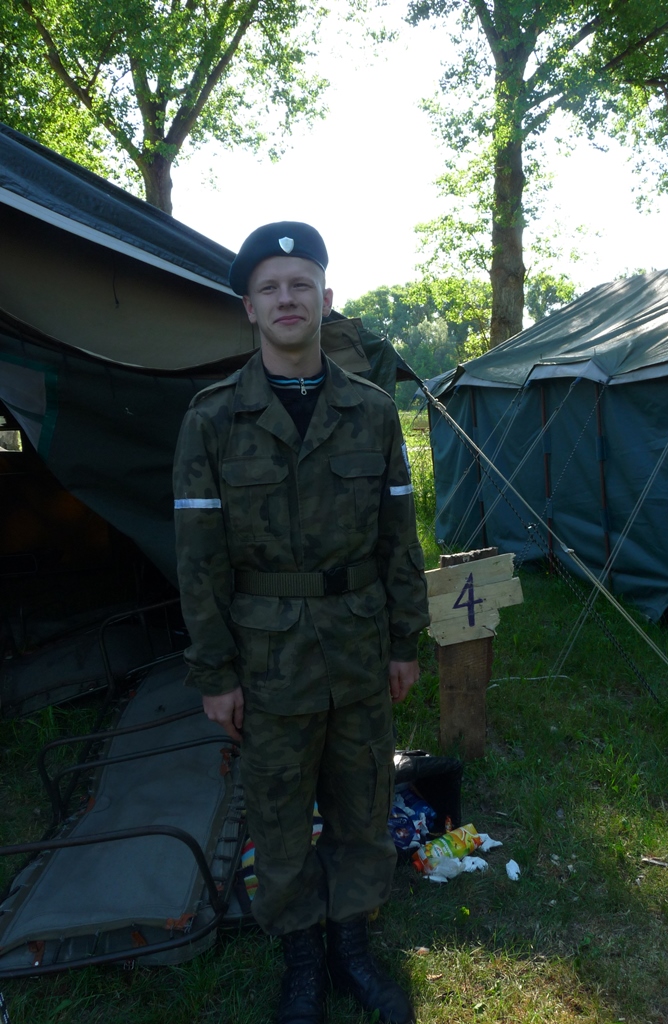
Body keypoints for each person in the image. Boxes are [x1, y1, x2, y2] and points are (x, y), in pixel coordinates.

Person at [173, 221, 430, 1024]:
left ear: (326, 297)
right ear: (249, 308)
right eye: (271, 288)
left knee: (362, 803)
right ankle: (301, 960)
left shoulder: (373, 411)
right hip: (268, 659)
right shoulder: (213, 418)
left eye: (302, 284)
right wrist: (215, 673)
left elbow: (400, 538)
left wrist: (406, 640)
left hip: (359, 646)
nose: (288, 298)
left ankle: (351, 945)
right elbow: (198, 558)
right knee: (280, 814)